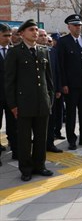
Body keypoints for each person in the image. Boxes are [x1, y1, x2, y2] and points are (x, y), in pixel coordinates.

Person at [4, 19, 54, 181]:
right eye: (31, 30)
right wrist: (12, 105)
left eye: (36, 30)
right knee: (24, 138)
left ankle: (40, 165)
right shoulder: (15, 52)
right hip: (24, 103)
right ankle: (26, 168)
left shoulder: (43, 51)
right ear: (22, 33)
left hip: (42, 102)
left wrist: (50, 99)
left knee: (41, 137)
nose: (35, 32)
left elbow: (49, 79)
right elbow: (9, 81)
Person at [58, 14, 82, 150]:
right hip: (71, 85)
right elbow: (61, 65)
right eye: (75, 25)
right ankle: (72, 139)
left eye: (79, 25)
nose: (78, 27)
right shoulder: (63, 42)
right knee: (71, 114)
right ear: (69, 27)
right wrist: (63, 84)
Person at [0, 23, 17, 163]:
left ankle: (16, 151)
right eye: (5, 35)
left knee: (14, 125)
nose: (8, 38)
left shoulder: (14, 51)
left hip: (12, 96)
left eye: (10, 35)